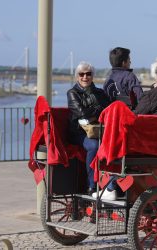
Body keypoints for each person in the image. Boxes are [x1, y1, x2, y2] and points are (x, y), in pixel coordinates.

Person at [67, 61, 117, 200]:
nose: (85, 77)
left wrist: (94, 113)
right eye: (81, 74)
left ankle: (111, 185)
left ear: (92, 76)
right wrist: (97, 110)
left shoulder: (100, 92)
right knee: (94, 145)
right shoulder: (72, 93)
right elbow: (82, 113)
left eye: (88, 74)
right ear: (77, 76)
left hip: (99, 131)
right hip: (79, 133)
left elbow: (109, 109)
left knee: (114, 144)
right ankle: (92, 184)